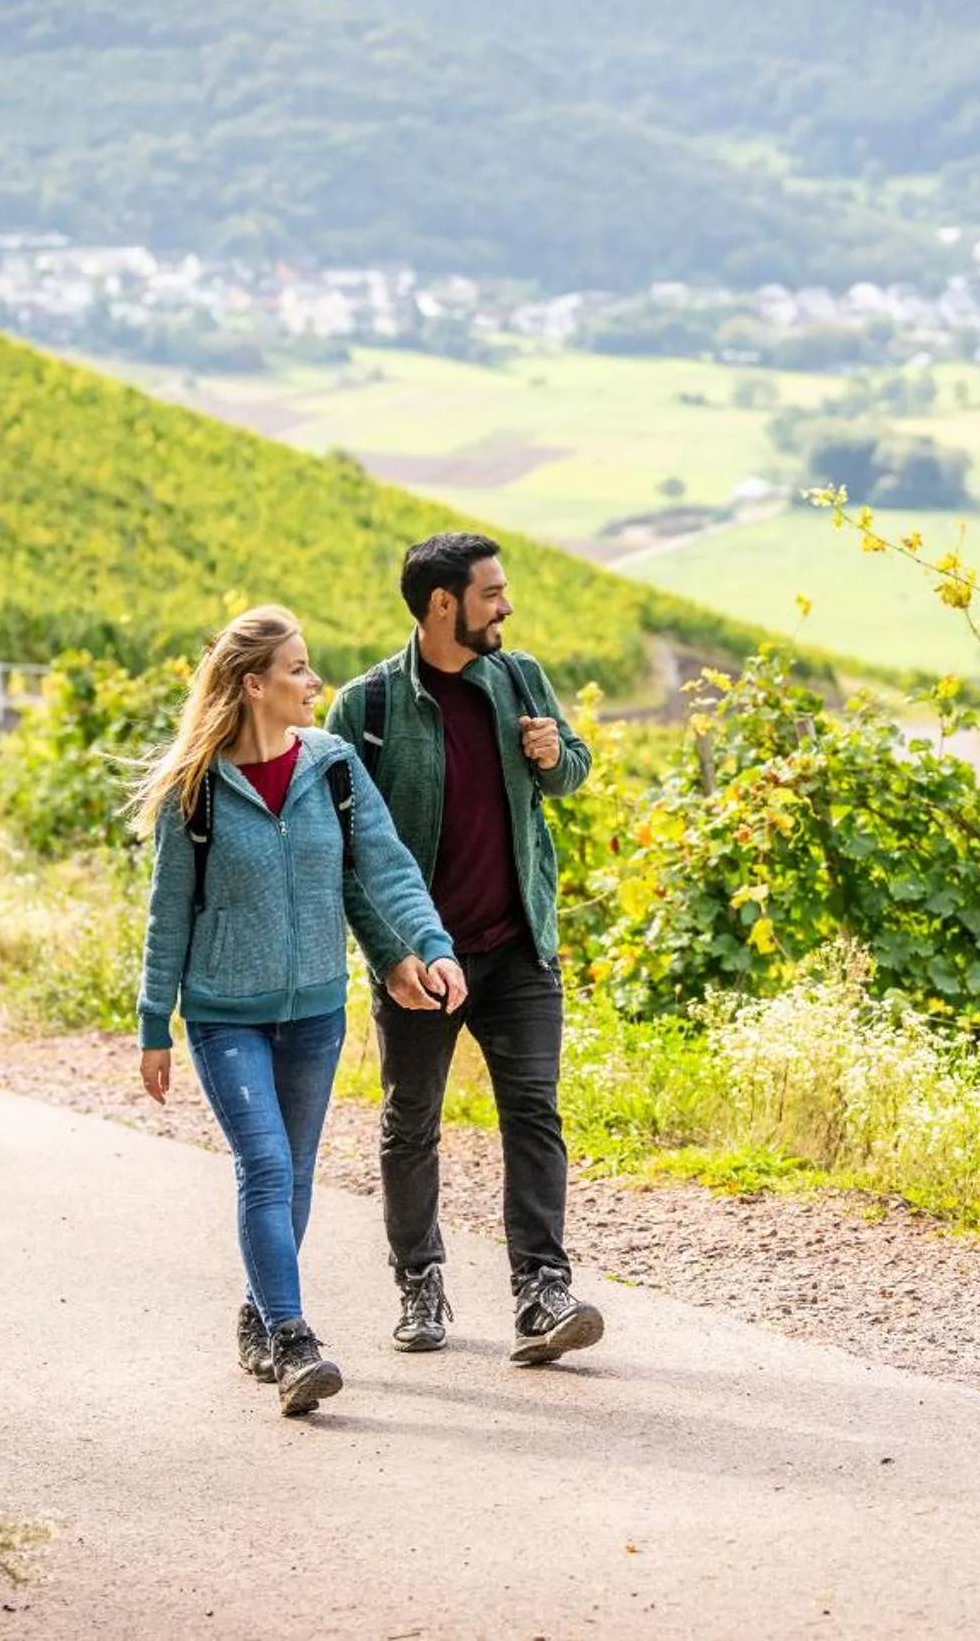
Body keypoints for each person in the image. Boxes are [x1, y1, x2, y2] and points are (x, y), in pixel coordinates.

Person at [130, 605, 466, 1418]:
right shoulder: (197, 791)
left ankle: (256, 1309)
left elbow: (385, 867)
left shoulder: (335, 767)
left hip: (315, 1009)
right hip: (224, 1014)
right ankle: (292, 1336)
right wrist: (154, 1024)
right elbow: (168, 910)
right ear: (255, 684)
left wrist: (431, 942)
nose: (315, 682)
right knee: (268, 1167)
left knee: (297, 1175)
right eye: (298, 670)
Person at [326, 532, 604, 1366]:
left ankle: (542, 1291)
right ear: (442, 603)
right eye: (492, 594)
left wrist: (560, 756)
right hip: (421, 960)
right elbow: (345, 852)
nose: (506, 606)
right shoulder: (366, 709)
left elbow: (569, 774)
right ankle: (420, 1282)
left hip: (519, 943)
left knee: (535, 1110)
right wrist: (391, 956)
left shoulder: (518, 676)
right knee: (412, 1122)